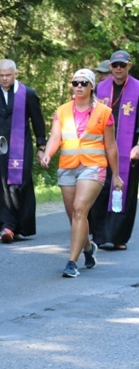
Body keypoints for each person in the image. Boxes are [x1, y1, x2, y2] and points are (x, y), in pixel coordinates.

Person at [41, 69, 122, 277]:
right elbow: (55, 137)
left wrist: (117, 175)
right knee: (74, 217)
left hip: (93, 166)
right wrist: (48, 154)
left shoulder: (104, 112)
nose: (78, 86)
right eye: (75, 82)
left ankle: (71, 263)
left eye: (83, 83)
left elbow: (111, 146)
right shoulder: (62, 110)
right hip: (67, 166)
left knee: (79, 209)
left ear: (91, 86)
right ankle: (88, 248)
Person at [0, 59, 47, 243]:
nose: (4, 79)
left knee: (18, 185)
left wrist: (42, 146)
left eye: (8, 75)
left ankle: (10, 226)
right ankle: (6, 226)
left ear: (15, 74)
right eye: (1, 75)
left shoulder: (28, 94)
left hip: (20, 148)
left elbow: (38, 122)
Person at [88, 50, 139, 250]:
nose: (118, 69)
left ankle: (118, 238)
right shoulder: (100, 89)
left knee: (123, 190)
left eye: (122, 65)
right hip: (100, 148)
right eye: (115, 65)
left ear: (129, 66)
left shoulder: (137, 89)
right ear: (110, 67)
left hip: (129, 150)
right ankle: (98, 236)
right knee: (99, 190)